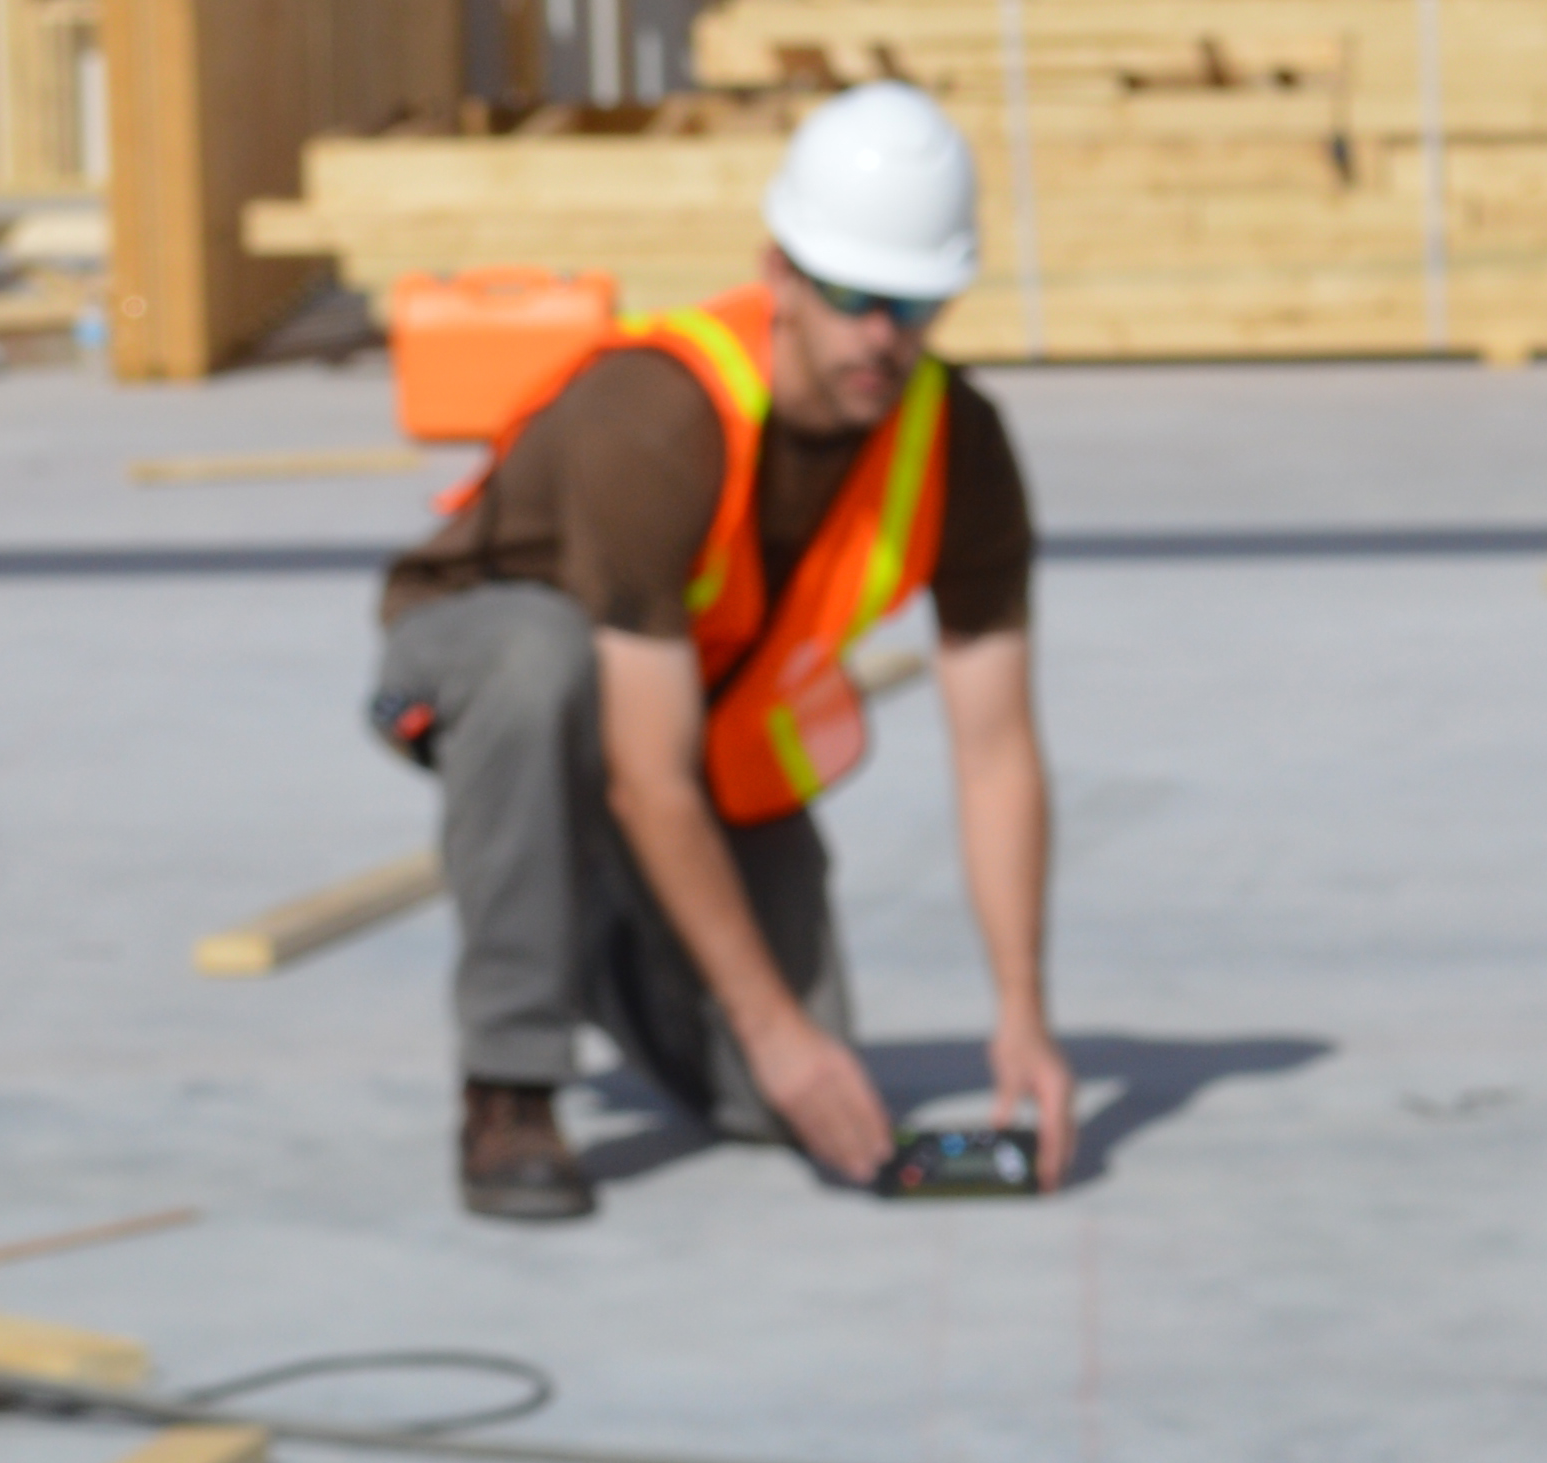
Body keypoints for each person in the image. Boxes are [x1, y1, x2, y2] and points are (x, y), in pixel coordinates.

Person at [370, 83, 1074, 1222]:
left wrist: (1023, 1018)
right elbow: (648, 776)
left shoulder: (961, 445)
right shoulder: (656, 418)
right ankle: (510, 1082)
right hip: (482, 652)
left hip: (697, 700)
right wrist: (769, 1020)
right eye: (851, 297)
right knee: (539, 668)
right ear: (779, 272)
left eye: (915, 302)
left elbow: (997, 753)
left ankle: (590, 918)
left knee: (776, 1099)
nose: (882, 339)